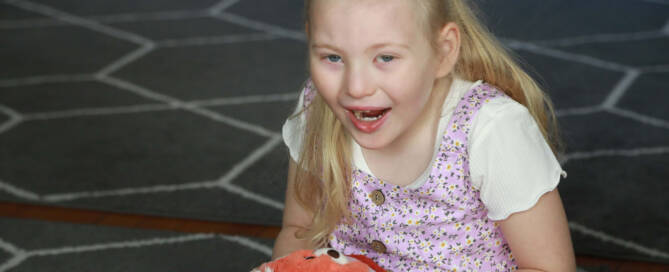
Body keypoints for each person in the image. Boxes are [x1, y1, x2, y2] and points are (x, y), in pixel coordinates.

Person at [273, 0, 576, 271]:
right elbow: (299, 229)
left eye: (386, 58)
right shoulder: (318, 109)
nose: (356, 87)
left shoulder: (490, 129)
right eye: (333, 57)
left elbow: (549, 267)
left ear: (443, 51)